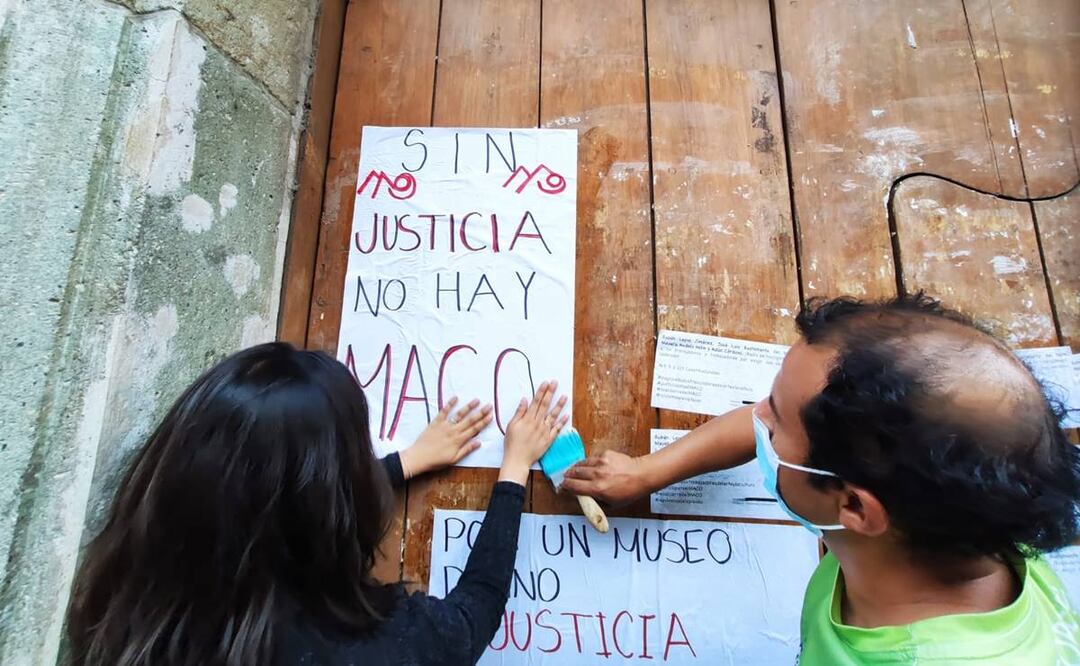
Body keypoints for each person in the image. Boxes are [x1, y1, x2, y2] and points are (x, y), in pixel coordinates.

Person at [562, 293, 1080, 664]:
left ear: (855, 508)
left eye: (776, 419)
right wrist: (649, 471)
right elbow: (781, 431)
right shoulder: (974, 515)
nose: (755, 418)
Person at [66, 342, 568, 666]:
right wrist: (513, 470)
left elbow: (272, 494)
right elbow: (471, 612)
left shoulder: (129, 610)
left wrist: (404, 461)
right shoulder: (376, 649)